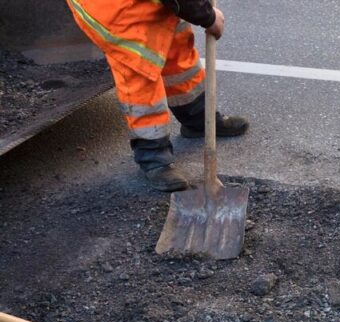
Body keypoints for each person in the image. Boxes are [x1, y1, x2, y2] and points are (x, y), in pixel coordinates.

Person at [66, 0, 248, 192]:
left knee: (176, 44)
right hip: (116, 11)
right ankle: (153, 157)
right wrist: (209, 17)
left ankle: (198, 119)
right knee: (139, 70)